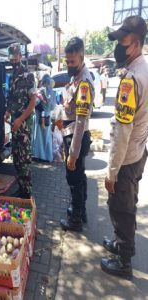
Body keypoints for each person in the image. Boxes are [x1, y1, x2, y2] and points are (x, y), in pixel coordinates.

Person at [100, 15, 148, 280]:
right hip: (139, 152)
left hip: (127, 157)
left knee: (121, 207)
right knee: (129, 202)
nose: (118, 47)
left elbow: (122, 131)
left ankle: (124, 260)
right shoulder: (145, 70)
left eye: (123, 42)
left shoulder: (131, 79)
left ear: (137, 43)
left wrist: (112, 171)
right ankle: (121, 245)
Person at [59, 37, 94, 232]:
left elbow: (81, 122)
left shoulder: (84, 83)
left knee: (74, 180)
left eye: (72, 62)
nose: (69, 65)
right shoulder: (76, 76)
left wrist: (72, 153)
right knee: (80, 176)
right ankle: (80, 211)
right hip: (71, 134)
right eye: (67, 61)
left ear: (82, 57)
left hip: (76, 138)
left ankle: (75, 221)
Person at [5, 43, 36, 198]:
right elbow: (11, 98)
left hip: (23, 125)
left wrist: (20, 119)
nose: (14, 58)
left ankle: (27, 193)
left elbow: (33, 101)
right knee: (16, 159)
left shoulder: (28, 75)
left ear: (21, 56)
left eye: (16, 55)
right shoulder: (12, 77)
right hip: (15, 124)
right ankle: (21, 188)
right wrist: (8, 111)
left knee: (24, 160)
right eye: (11, 55)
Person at [32, 74, 56, 162]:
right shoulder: (53, 92)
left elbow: (35, 103)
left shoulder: (40, 91)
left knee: (38, 137)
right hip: (47, 118)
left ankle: (38, 155)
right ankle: (48, 157)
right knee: (47, 137)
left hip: (39, 117)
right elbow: (53, 106)